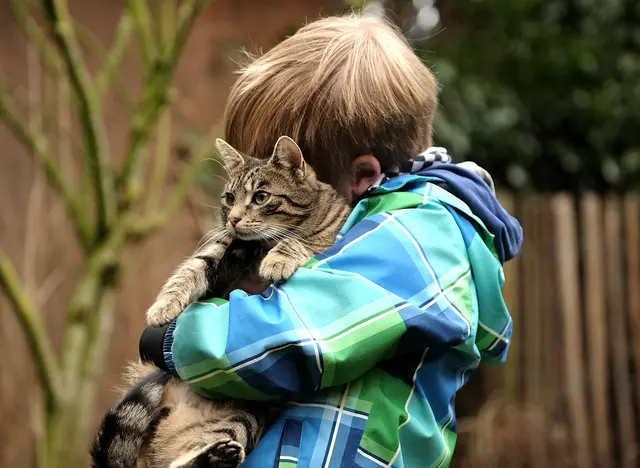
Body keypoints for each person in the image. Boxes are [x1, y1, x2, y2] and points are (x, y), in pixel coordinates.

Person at [139, 14, 522, 467]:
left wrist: (171, 340)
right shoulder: (382, 231)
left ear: (363, 176)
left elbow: (293, 339)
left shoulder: (420, 234)